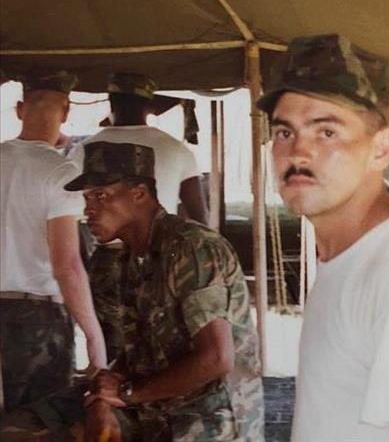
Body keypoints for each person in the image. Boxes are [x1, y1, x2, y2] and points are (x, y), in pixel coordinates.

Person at [257, 34, 389, 442]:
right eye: (285, 133)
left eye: (326, 133)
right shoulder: (346, 259)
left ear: (381, 149)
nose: (298, 153)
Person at [0, 141, 264, 440]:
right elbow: (132, 352)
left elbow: (217, 359)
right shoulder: (129, 258)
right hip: (150, 399)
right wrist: (102, 399)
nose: (89, 210)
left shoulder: (191, 247)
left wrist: (125, 394)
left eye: (101, 196)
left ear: (139, 194)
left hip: (208, 411)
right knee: (18, 429)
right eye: (86, 198)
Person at [70, 72, 209, 362]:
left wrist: (83, 263)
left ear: (111, 101)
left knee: (110, 349)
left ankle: (114, 400)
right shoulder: (176, 149)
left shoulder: (85, 149)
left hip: (107, 258)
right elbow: (199, 217)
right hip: (165, 256)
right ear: (150, 105)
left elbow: (71, 218)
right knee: (163, 345)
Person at [0, 70, 107, 411]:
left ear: (20, 110)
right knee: (41, 423)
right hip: (38, 319)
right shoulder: (62, 174)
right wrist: (93, 335)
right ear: (66, 113)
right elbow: (67, 265)